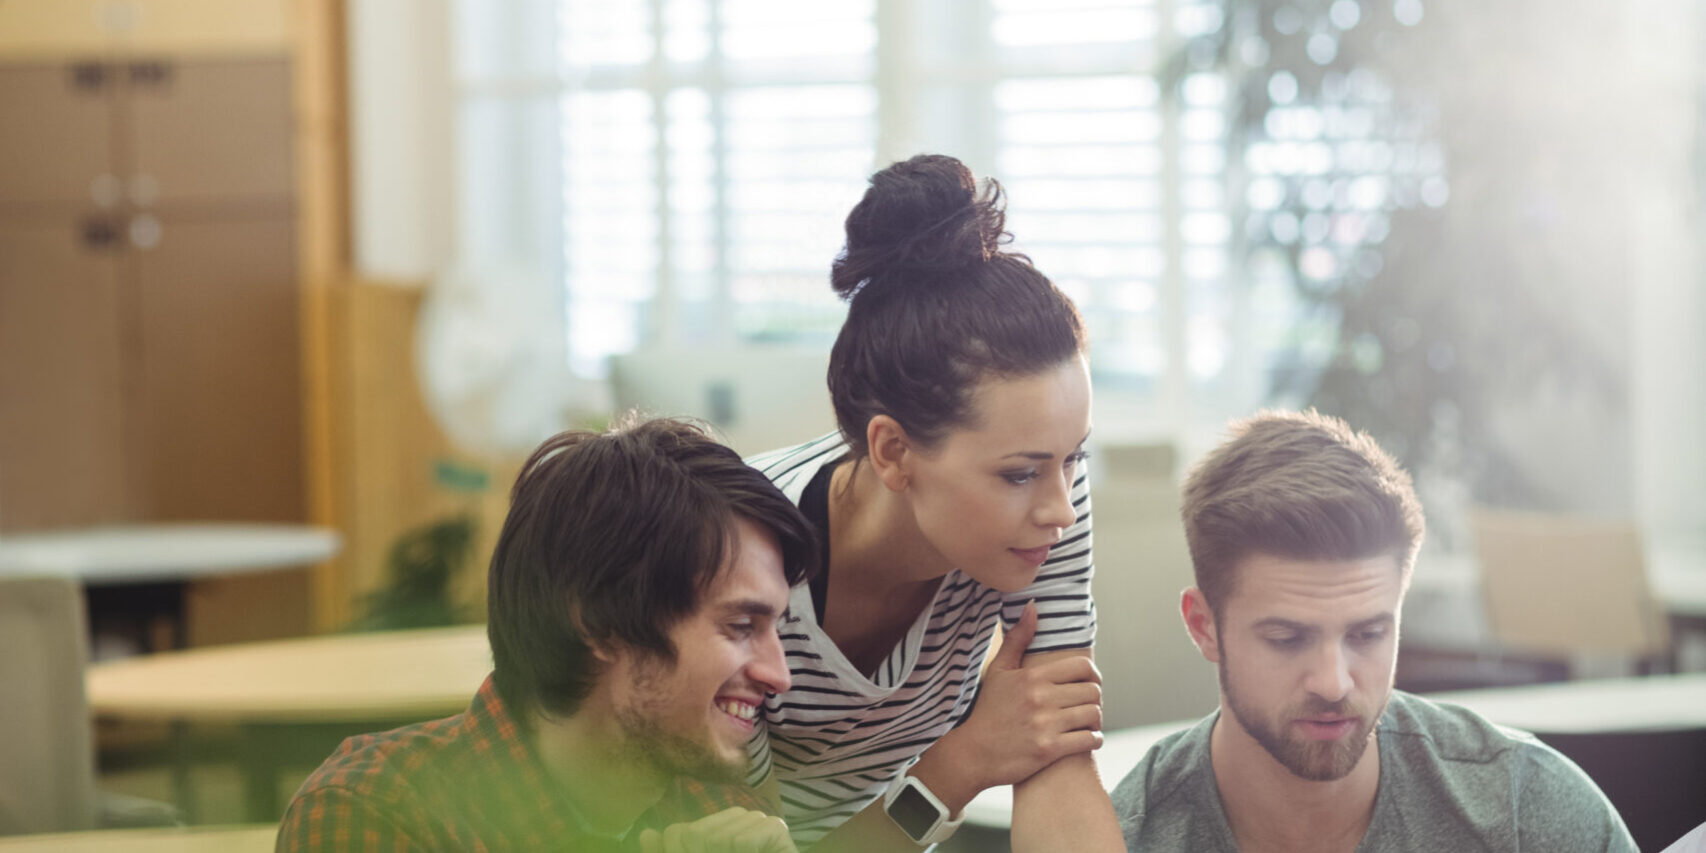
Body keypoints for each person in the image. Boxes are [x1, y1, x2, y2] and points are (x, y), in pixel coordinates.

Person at [743, 154, 1122, 852]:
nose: (1061, 508)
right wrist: (966, 759)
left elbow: (1056, 758)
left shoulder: (1040, 508)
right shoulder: (733, 558)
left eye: (1073, 458)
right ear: (892, 451)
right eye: (1019, 473)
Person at [277, 417, 817, 852]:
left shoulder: (726, 811)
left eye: (775, 629)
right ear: (602, 622)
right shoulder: (374, 811)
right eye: (741, 627)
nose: (780, 675)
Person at [1109, 410, 1638, 852]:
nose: (1333, 683)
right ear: (1203, 627)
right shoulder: (1131, 837)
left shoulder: (1526, 812)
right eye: (1287, 639)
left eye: (1367, 635)